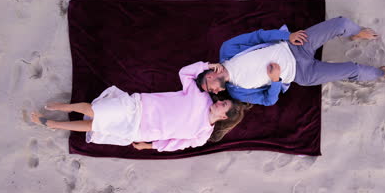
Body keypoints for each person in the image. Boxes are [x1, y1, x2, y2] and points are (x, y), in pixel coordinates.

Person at [30, 62, 250, 152]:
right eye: (223, 99)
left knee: (95, 127)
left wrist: (149, 146)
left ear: (223, 117)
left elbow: (174, 144)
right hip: (137, 107)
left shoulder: (201, 135)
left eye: (223, 105)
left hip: (139, 130)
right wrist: (206, 65)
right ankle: (66, 107)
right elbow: (186, 73)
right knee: (96, 111)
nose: (219, 102)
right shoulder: (201, 97)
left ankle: (54, 124)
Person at [196, 17, 385, 106]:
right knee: (350, 70)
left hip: (294, 45)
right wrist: (275, 80)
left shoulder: (227, 50)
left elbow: (258, 37)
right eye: (211, 92)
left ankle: (357, 33)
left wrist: (286, 37)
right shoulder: (236, 91)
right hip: (302, 73)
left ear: (210, 74)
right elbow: (269, 101)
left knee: (342, 23)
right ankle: (383, 73)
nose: (214, 92)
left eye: (209, 87)